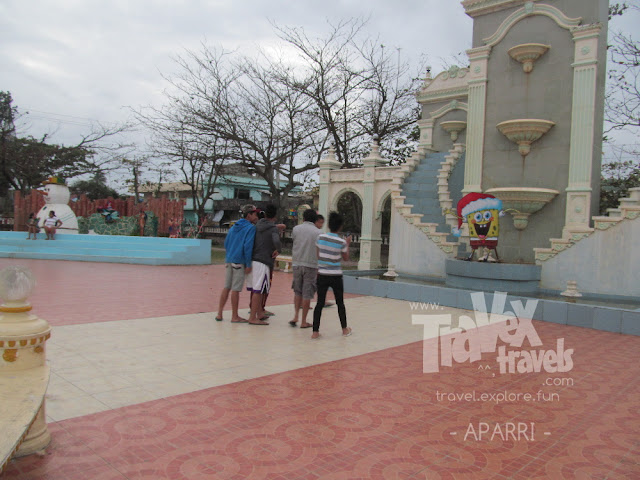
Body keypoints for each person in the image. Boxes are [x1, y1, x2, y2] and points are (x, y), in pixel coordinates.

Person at [312, 211, 352, 339]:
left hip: (322, 274)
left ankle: (315, 332)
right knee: (340, 302)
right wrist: (348, 244)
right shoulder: (341, 242)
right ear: (340, 227)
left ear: (328, 225)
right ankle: (344, 329)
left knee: (320, 303)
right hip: (336, 275)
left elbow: (318, 255)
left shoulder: (320, 238)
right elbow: (346, 258)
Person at [216, 205, 259, 322]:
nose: (256, 216)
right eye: (255, 214)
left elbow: (226, 243)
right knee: (236, 289)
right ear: (249, 215)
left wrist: (230, 254)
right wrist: (248, 264)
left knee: (227, 287)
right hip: (239, 261)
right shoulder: (250, 228)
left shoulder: (234, 226)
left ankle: (219, 313)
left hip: (229, 259)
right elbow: (248, 246)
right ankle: (234, 316)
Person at [247, 204, 281, 325]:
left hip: (254, 259)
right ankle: (252, 317)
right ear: (275, 216)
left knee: (259, 289)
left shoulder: (257, 226)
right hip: (263, 261)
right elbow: (276, 241)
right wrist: (278, 250)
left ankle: (259, 312)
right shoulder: (273, 228)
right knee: (258, 290)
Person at [289, 209, 321, 328]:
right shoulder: (318, 232)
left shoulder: (296, 229)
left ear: (304, 218)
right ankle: (303, 321)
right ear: (315, 219)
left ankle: (295, 316)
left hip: (297, 263)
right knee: (307, 293)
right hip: (311, 265)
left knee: (297, 291)